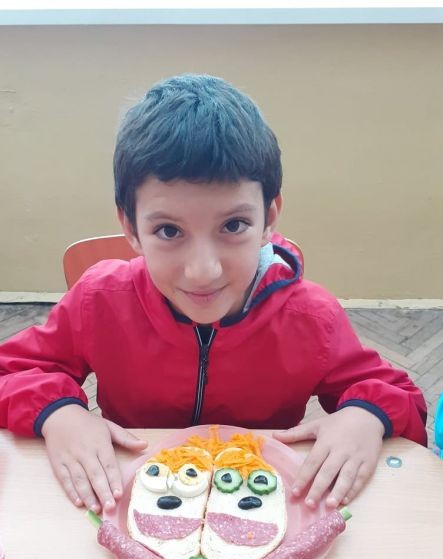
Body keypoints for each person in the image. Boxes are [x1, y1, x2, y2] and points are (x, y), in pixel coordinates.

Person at [0, 74, 427, 516]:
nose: (203, 271)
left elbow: (401, 397)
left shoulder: (311, 316)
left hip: (255, 503)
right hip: (132, 498)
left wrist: (365, 417)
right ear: (130, 228)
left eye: (233, 225)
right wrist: (60, 413)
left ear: (269, 218)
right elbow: (11, 371)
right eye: (169, 231)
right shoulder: (99, 299)